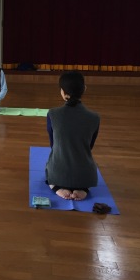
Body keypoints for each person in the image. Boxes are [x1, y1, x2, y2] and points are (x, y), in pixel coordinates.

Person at [45, 71, 100, 200]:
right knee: (84, 165)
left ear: (62, 92)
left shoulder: (52, 114)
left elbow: (53, 145)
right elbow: (89, 146)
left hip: (58, 173)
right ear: (84, 89)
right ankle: (83, 188)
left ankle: (56, 187)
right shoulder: (95, 117)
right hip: (85, 175)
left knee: (50, 167)